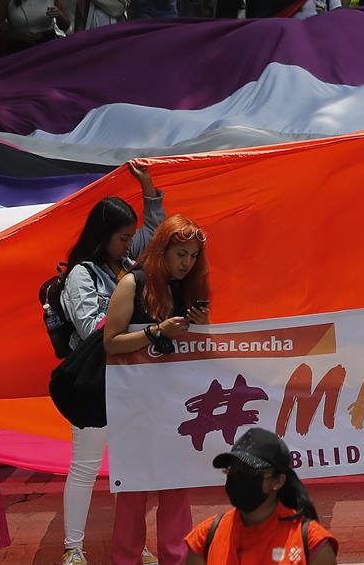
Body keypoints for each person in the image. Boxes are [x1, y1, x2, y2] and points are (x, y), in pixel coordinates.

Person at [57, 163, 166, 565]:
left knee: (135, 466)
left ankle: (135, 544)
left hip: (132, 380)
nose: (130, 244)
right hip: (96, 383)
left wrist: (149, 190)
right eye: (123, 238)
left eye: (129, 238)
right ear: (104, 238)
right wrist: (127, 310)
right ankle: (73, 549)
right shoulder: (81, 276)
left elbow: (156, 236)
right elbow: (90, 328)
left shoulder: (125, 264)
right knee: (85, 467)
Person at [104, 214, 211, 565]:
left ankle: (177, 559)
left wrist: (202, 327)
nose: (187, 262)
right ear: (163, 249)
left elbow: (205, 350)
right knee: (133, 493)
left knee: (178, 490)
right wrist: (157, 331)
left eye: (193, 256)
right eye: (181, 254)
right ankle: (125, 559)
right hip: (134, 407)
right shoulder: (131, 284)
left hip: (177, 407)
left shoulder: (190, 288)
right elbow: (110, 343)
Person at [186, 428, 338, 565]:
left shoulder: (311, 543)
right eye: (233, 470)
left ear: (278, 481)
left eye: (251, 472)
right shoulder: (205, 537)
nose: (239, 478)